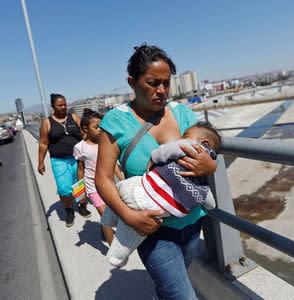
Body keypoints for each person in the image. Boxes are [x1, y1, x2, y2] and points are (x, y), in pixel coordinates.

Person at [96, 44, 217, 299]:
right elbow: (103, 178)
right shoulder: (116, 122)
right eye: (152, 83)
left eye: (166, 83)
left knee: (169, 291)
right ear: (132, 82)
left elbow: (204, 151)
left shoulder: (183, 113)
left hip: (192, 222)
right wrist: (129, 216)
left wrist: (211, 165)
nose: (161, 91)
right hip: (152, 230)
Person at [102, 122, 221, 267]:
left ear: (203, 143)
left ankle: (108, 220)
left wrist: (154, 158)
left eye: (186, 136)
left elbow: (168, 149)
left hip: (142, 189)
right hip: (160, 212)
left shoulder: (192, 146)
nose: (181, 138)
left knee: (121, 188)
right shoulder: (201, 181)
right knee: (130, 237)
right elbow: (209, 201)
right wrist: (212, 168)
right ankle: (117, 257)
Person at [38, 93, 91, 227]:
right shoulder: (47, 122)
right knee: (64, 189)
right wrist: (40, 162)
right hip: (59, 160)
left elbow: (84, 134)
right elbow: (44, 143)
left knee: (79, 184)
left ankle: (82, 205)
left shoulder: (74, 117)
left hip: (77, 159)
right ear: (53, 106)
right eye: (59, 105)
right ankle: (69, 210)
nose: (63, 107)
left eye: (65, 104)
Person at [73, 109, 124, 245]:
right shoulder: (80, 147)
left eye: (101, 127)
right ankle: (113, 248)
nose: (100, 130)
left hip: (109, 184)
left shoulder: (106, 143)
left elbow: (113, 165)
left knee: (115, 214)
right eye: (96, 127)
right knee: (106, 217)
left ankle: (106, 231)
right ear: (85, 129)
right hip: (93, 188)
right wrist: (80, 194)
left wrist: (122, 180)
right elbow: (80, 170)